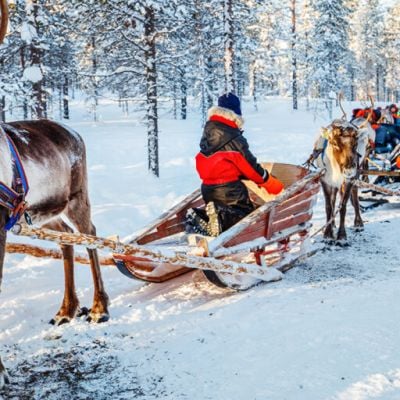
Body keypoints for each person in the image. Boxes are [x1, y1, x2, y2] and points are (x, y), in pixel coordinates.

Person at [187, 92, 284, 236]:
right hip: (230, 191)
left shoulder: (209, 132)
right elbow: (251, 168)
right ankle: (221, 219)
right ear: (235, 114)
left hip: (208, 190)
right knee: (246, 218)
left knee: (224, 214)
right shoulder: (233, 137)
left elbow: (219, 163)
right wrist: (270, 183)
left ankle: (201, 216)